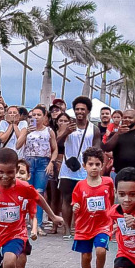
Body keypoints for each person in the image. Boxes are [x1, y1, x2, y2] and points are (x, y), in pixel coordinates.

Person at [71, 147, 115, 268]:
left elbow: (111, 200)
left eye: (97, 164)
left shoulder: (108, 182)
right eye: (91, 164)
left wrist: (112, 217)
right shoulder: (80, 185)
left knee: (101, 250)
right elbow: (75, 204)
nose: (94, 167)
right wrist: (76, 207)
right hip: (84, 227)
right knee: (86, 257)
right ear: (84, 166)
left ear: (102, 165)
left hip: (103, 225)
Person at [56, 96, 102, 237]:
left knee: (85, 198)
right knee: (67, 198)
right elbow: (56, 143)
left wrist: (95, 165)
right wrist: (66, 132)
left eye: (82, 109)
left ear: (88, 111)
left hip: (85, 168)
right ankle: (67, 229)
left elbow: (97, 148)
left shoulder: (94, 129)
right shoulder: (67, 126)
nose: (79, 112)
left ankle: (82, 227)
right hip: (67, 168)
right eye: (77, 109)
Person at [16, 105, 58, 231]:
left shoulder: (49, 131)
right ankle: (22, 222)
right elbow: (18, 145)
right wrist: (26, 133)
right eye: (33, 115)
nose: (36, 117)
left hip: (43, 162)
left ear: (44, 116)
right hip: (28, 161)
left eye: (39, 115)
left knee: (39, 193)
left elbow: (55, 149)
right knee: (25, 192)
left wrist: (51, 162)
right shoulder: (26, 129)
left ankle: (37, 224)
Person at [102, 108, 135, 195]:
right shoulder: (116, 134)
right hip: (118, 174)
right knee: (119, 203)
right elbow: (107, 148)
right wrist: (118, 133)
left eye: (130, 118)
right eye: (125, 117)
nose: (127, 120)